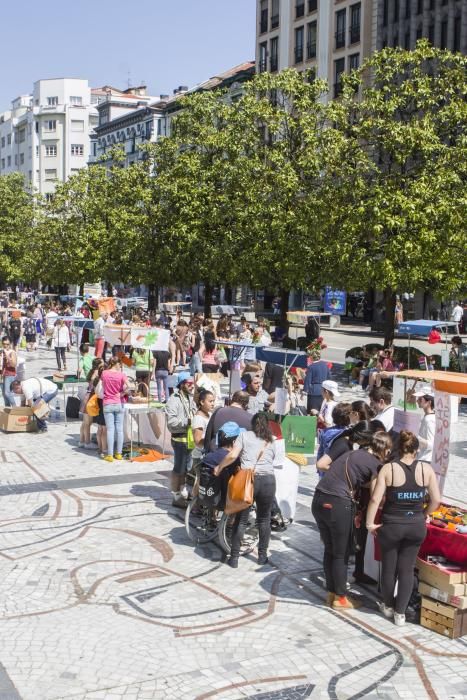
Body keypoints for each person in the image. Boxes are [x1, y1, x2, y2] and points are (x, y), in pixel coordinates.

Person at [312, 429, 392, 609]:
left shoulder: (353, 452)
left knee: (330, 549)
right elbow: (375, 496)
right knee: (341, 553)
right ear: (385, 449)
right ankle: (341, 598)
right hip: (337, 504)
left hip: (318, 498)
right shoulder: (376, 465)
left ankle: (332, 593)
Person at [366, 431, 441, 626]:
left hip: (392, 525)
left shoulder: (388, 469)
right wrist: (424, 514)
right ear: (416, 450)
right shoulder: (426, 470)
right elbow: (436, 500)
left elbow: (375, 498)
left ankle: (388, 606)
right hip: (416, 525)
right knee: (407, 569)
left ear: (398, 449)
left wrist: (369, 523)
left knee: (389, 568)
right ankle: (401, 614)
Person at [214, 413, 278, 568]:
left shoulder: (244, 435)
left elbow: (233, 455)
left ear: (252, 424)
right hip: (269, 481)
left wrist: (219, 466)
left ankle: (234, 558)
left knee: (241, 520)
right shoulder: (272, 439)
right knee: (264, 520)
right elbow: (274, 458)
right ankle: (262, 556)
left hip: (249, 480)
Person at [165, 371, 196, 507]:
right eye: (189, 384)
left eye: (192, 384)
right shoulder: (174, 400)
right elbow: (171, 423)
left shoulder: (190, 398)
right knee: (179, 469)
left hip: (189, 439)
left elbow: (194, 411)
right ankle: (176, 497)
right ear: (182, 384)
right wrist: (187, 421)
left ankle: (182, 490)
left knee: (187, 468)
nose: (191, 386)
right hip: (179, 440)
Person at [100, 358, 129, 462]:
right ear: (117, 364)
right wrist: (122, 393)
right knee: (119, 430)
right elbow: (130, 386)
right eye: (120, 364)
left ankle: (110, 455)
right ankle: (119, 454)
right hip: (119, 403)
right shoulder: (121, 375)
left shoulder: (104, 373)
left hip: (107, 403)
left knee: (110, 430)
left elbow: (103, 386)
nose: (121, 366)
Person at [78, 358, 101, 450]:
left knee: (85, 422)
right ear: (99, 365)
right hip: (90, 398)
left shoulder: (92, 371)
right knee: (88, 422)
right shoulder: (96, 373)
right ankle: (87, 442)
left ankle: (81, 441)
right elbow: (93, 382)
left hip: (87, 397)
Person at [191, 389, 215, 467]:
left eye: (213, 401)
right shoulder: (199, 418)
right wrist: (212, 440)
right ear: (202, 402)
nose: (212, 404)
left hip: (207, 452)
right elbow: (197, 441)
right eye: (210, 401)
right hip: (200, 456)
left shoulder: (210, 414)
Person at [303, 347, 331, 413]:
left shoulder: (311, 367)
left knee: (312, 410)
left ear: (311, 357)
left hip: (313, 390)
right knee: (320, 409)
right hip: (323, 390)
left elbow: (308, 380)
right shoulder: (325, 365)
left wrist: (304, 391)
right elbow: (329, 377)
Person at [413, 389, 436, 462]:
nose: (417, 401)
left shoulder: (429, 420)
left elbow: (431, 444)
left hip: (425, 459)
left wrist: (415, 436)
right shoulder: (429, 417)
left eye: (420, 399)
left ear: (429, 402)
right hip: (423, 458)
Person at [1, 336, 17, 406]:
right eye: (4, 344)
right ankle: (7, 409)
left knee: (8, 393)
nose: (5, 346)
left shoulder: (12, 352)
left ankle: (15, 407)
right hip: (2, 374)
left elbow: (14, 365)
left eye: (7, 344)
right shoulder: (1, 351)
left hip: (9, 374)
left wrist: (7, 357)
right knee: (4, 394)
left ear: (10, 344)